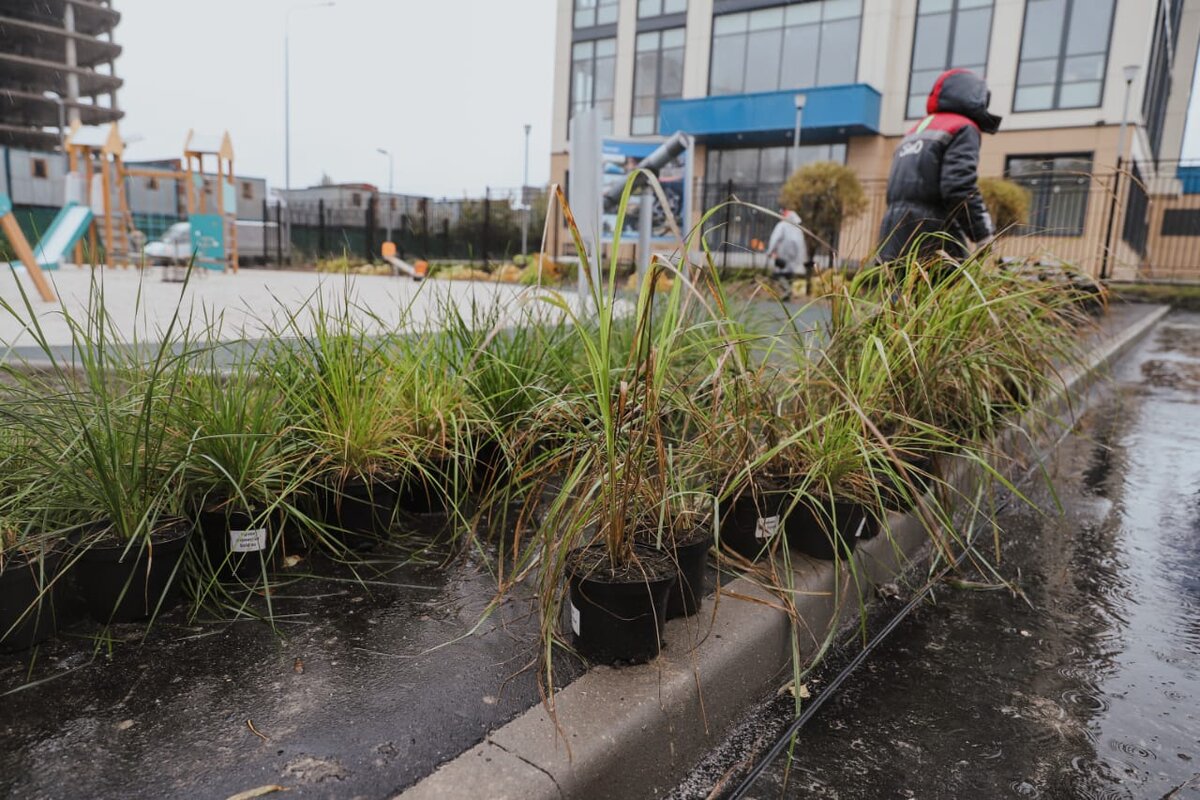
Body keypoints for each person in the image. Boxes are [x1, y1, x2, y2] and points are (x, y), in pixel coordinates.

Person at [877, 69, 1002, 265]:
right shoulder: (963, 126)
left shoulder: (916, 129)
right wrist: (982, 234)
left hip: (892, 230)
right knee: (952, 291)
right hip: (931, 231)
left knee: (897, 292)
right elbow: (959, 186)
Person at [766, 209, 807, 301]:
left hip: (782, 253)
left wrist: (770, 251)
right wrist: (801, 258)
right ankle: (787, 293)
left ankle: (787, 290)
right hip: (794, 256)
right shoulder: (797, 228)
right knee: (789, 274)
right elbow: (801, 244)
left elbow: (775, 239)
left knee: (778, 274)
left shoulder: (782, 226)